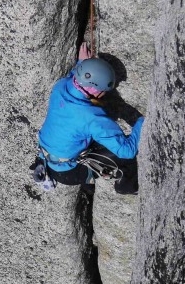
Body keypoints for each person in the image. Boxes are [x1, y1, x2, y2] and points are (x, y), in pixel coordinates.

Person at [35, 45, 143, 194]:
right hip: (68, 173)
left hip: (45, 158)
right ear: (98, 92)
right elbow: (127, 150)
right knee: (126, 158)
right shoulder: (90, 116)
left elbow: (73, 78)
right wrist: (143, 122)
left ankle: (89, 187)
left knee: (85, 137)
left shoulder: (60, 87)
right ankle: (127, 187)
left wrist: (83, 65)